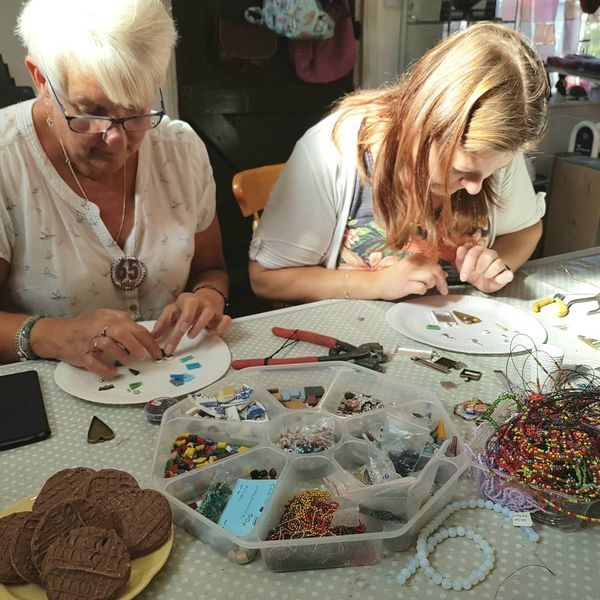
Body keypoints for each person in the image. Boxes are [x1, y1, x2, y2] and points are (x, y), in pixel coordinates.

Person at [0, 0, 231, 378]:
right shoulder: (6, 162)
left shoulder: (181, 150)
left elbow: (211, 268)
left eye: (137, 112)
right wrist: (51, 335)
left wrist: (207, 296)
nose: (117, 141)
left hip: (174, 380)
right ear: (41, 79)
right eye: (91, 111)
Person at [249, 22, 549, 304]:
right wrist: (376, 285)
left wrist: (497, 263)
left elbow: (525, 230)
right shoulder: (333, 149)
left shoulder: (493, 147)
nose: (475, 189)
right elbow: (266, 279)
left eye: (493, 171)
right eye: (461, 171)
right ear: (421, 125)